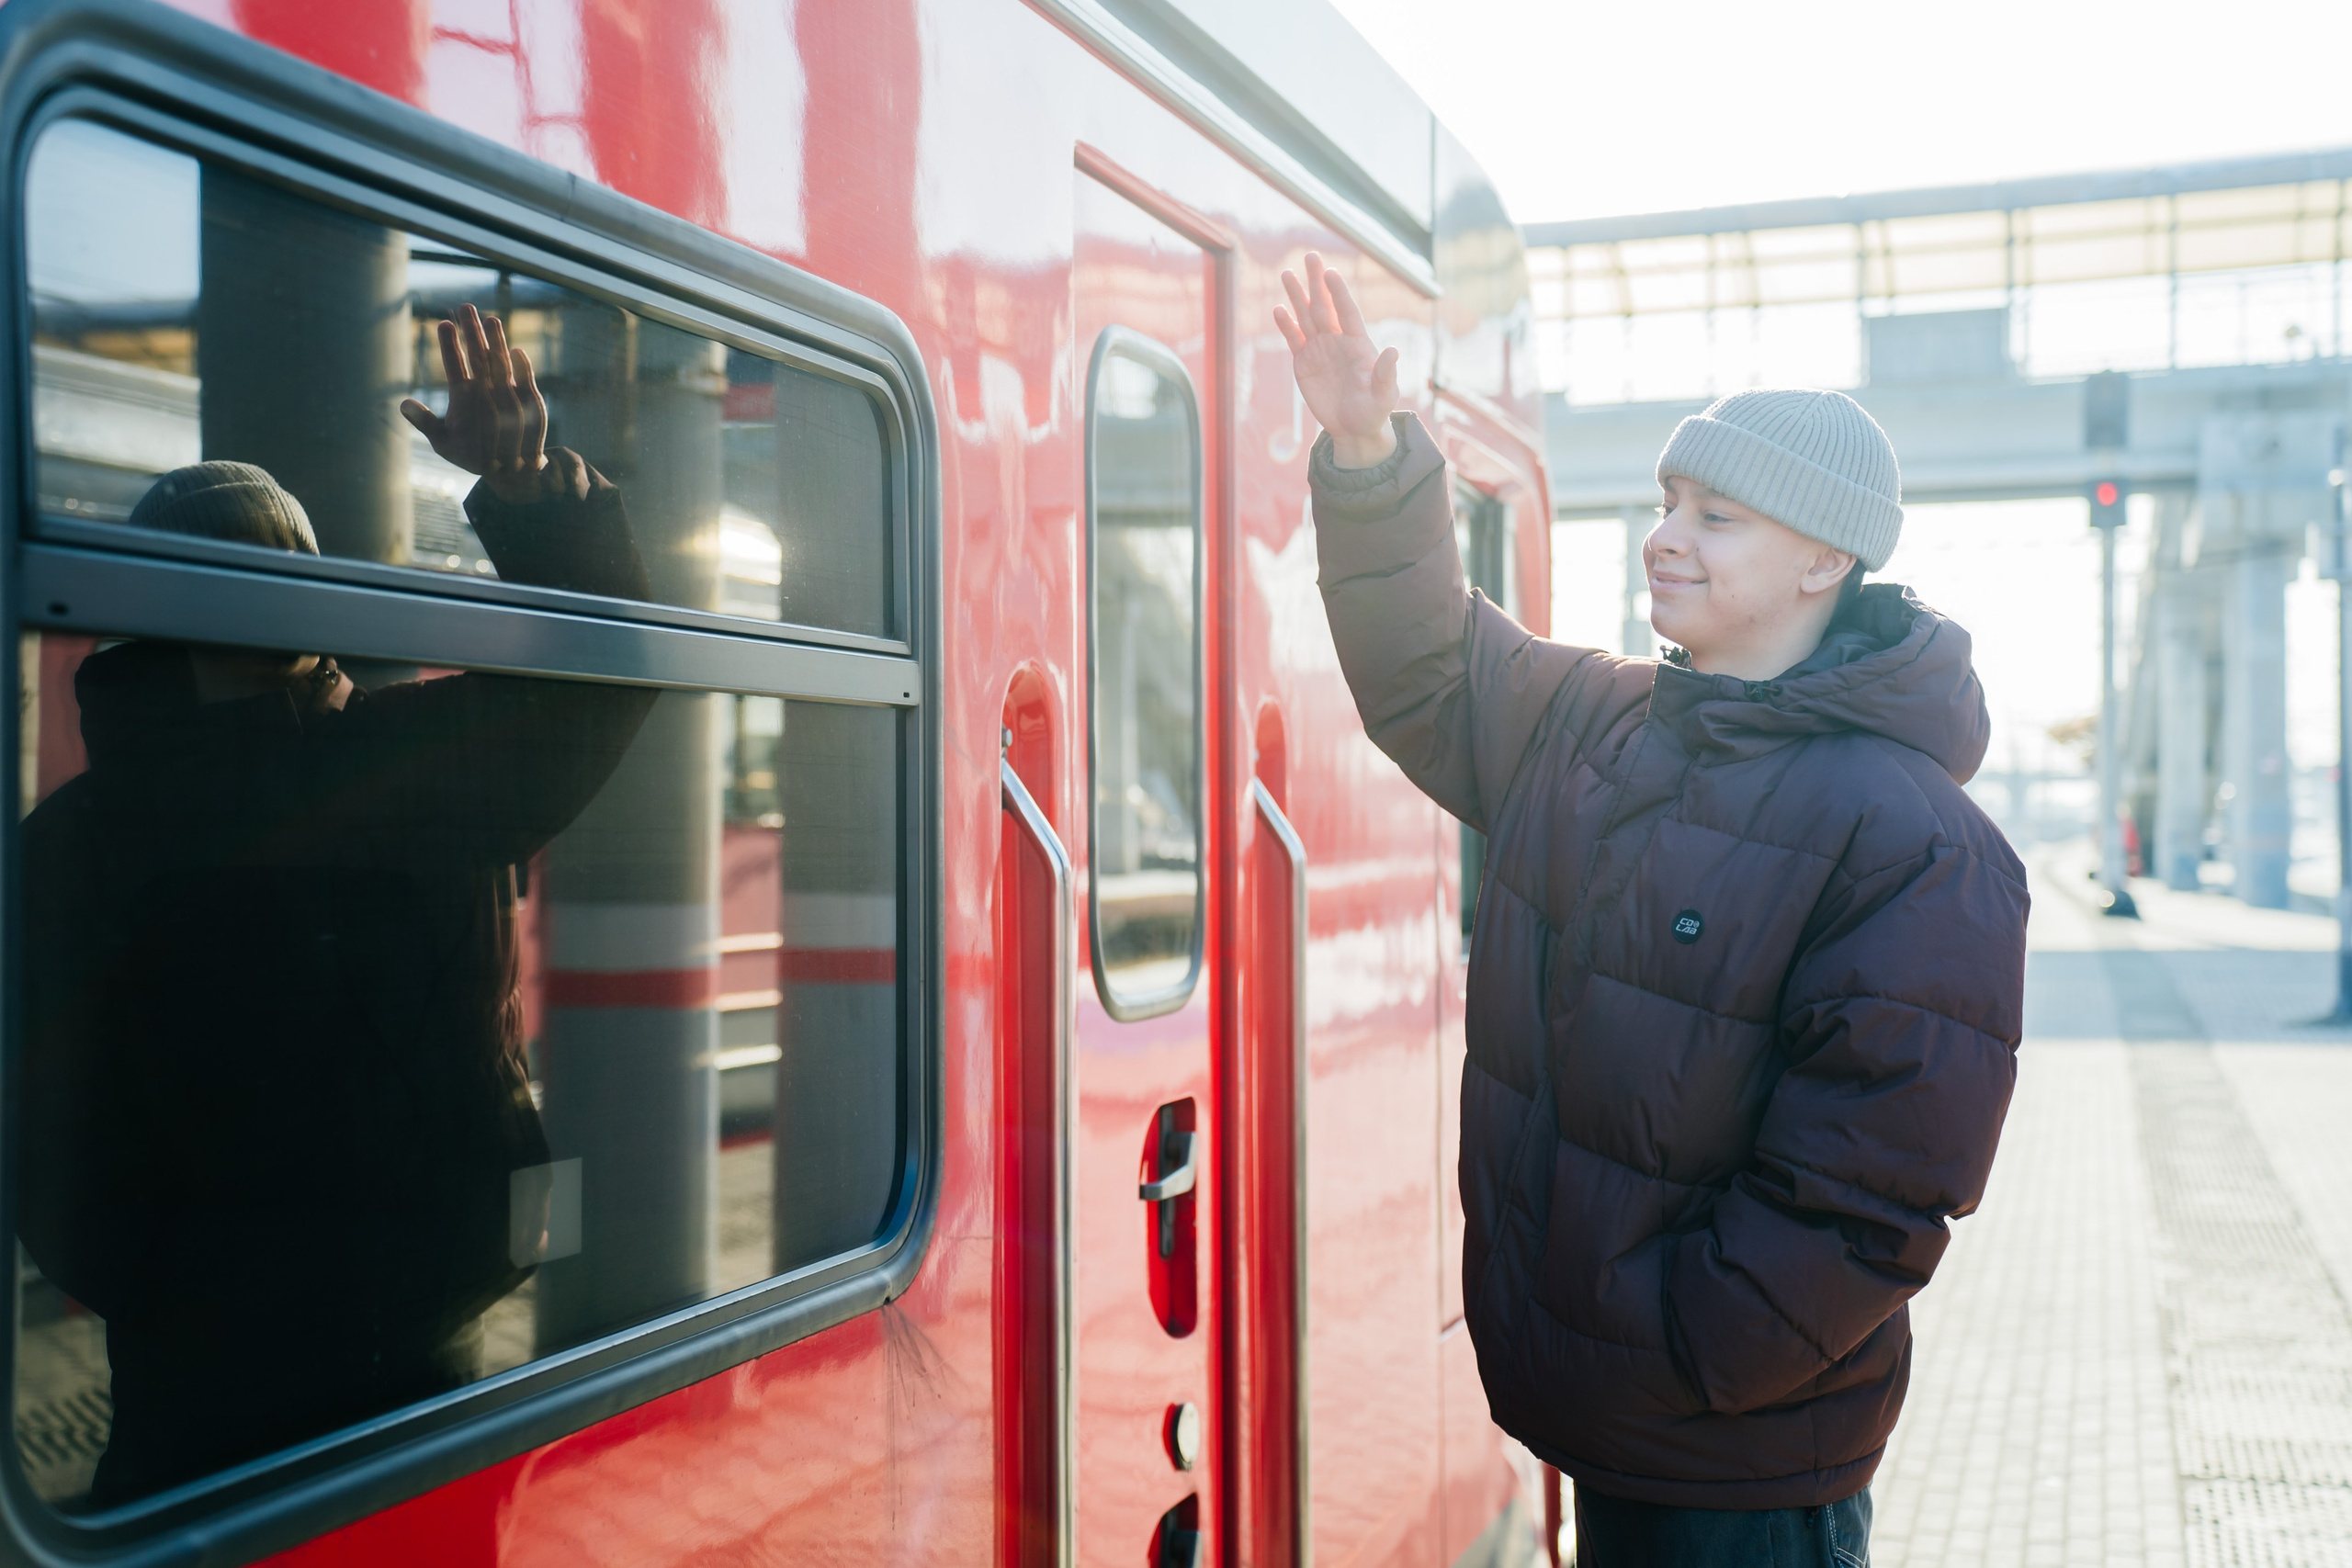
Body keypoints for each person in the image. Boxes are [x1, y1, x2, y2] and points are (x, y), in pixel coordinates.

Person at [1276, 254, 2027, 1567]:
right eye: (1670, 499)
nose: (1664, 534)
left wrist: (1684, 1349)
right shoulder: (1590, 718)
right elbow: (1429, 666)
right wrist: (1364, 450)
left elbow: (1872, 1190)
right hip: (1607, 1414)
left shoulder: (1915, 839)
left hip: (1736, 1465)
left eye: (1717, 516)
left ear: (1822, 560)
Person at [17, 307, 656, 1506]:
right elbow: (604, 682)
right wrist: (524, 490)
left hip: (194, 1379)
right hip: (413, 1345)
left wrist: (167, 1276)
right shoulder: (410, 768)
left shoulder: (72, 847)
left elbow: (45, 1141)